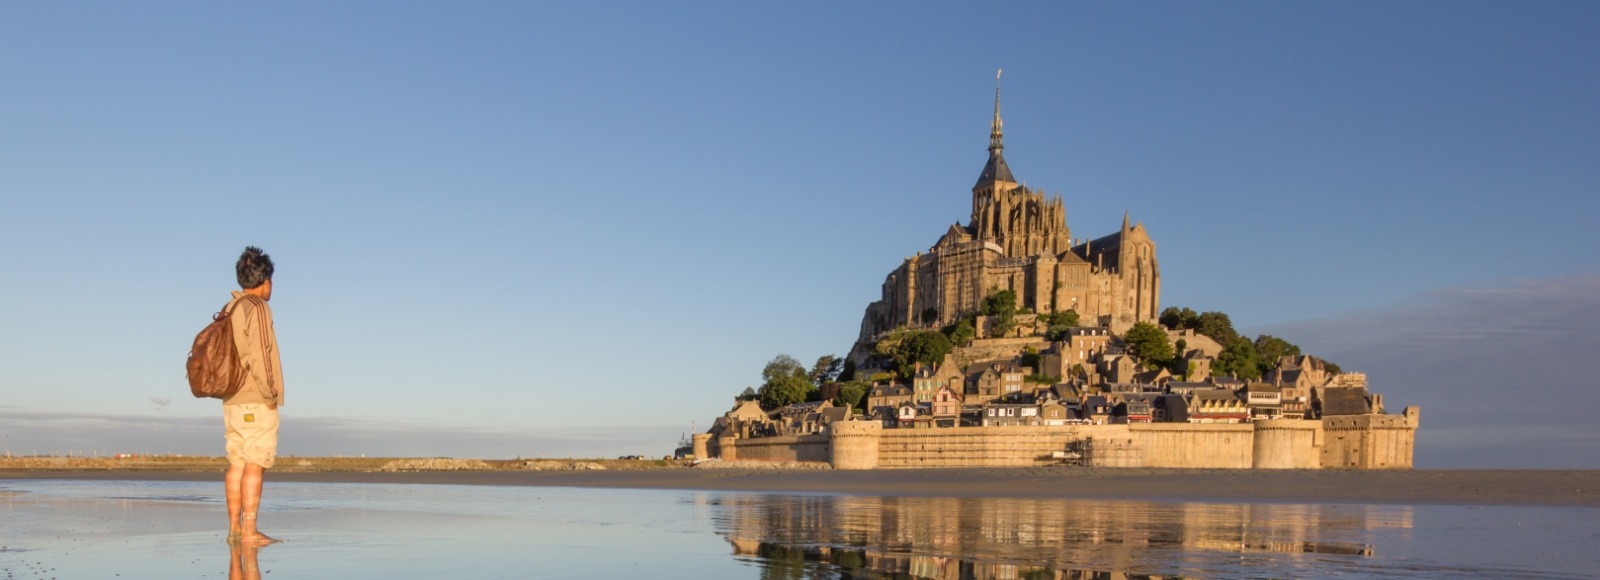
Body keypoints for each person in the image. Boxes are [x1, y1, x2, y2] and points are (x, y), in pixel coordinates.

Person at [223, 246, 284, 545]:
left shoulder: (229, 307)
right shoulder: (257, 308)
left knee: (237, 462)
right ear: (264, 280)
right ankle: (249, 531)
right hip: (254, 398)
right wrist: (271, 394)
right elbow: (261, 356)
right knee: (255, 463)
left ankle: (234, 529)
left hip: (231, 399)